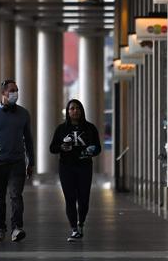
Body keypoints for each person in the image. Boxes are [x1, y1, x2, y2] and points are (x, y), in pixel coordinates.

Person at [0, 79, 34, 242]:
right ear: (3, 93)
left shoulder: (23, 114)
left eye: (16, 90)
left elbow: (28, 139)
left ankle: (17, 228)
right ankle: (0, 228)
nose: (15, 93)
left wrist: (31, 162)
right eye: (12, 90)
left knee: (16, 195)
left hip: (17, 162)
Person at [49, 98, 101, 242]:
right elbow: (52, 148)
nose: (75, 110)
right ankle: (74, 229)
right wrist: (61, 147)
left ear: (81, 110)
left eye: (77, 108)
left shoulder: (90, 128)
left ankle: (81, 222)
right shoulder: (61, 129)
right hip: (66, 167)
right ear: (68, 111)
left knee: (84, 199)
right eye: (71, 108)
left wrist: (91, 151)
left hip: (84, 167)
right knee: (70, 198)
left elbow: (98, 148)